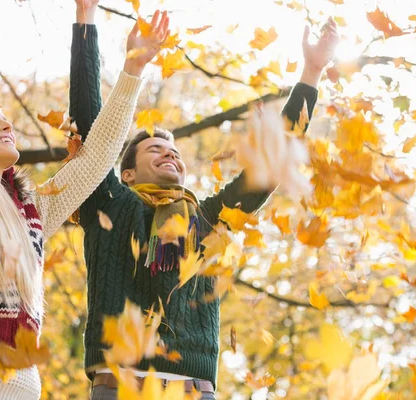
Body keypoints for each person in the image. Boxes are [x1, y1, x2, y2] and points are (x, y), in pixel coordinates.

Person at [70, 2, 339, 399]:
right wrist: (87, 21)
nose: (169, 154)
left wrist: (312, 72)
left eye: (174, 151)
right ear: (127, 173)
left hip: (194, 391)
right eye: (155, 149)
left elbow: (269, 165)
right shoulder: (110, 202)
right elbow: (89, 127)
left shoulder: (205, 220)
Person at [0, 0, 170, 398]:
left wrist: (133, 70)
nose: (6, 123)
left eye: (3, 117)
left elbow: (100, 153)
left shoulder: (33, 209)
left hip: (21, 386)